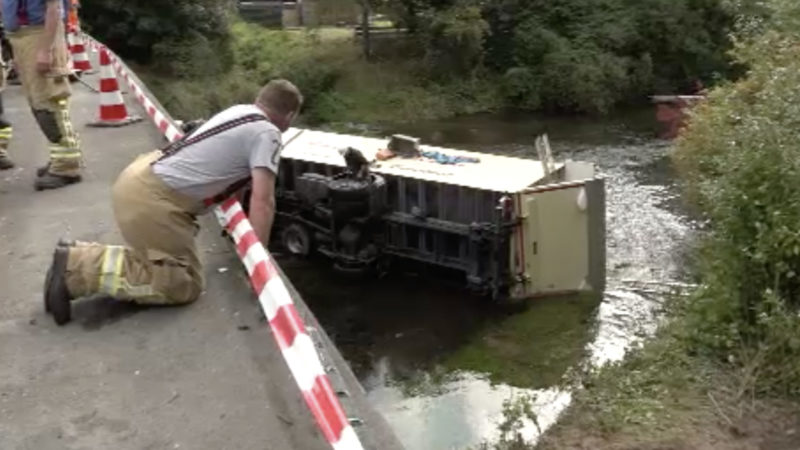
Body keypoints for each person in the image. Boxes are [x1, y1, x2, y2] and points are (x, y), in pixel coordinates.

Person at [43, 80, 303, 325]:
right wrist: (258, 263)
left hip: (141, 178)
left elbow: (232, 172)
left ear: (261, 99)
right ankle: (77, 270)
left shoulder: (240, 112)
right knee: (182, 283)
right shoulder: (268, 134)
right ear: (289, 116)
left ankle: (76, 257)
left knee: (164, 263)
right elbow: (263, 201)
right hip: (155, 201)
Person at [1, 0, 82, 189]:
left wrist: (45, 50)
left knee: (49, 100)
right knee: (37, 100)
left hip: (39, 34)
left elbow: (54, 8)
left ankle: (66, 166)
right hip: (20, 36)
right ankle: (60, 158)